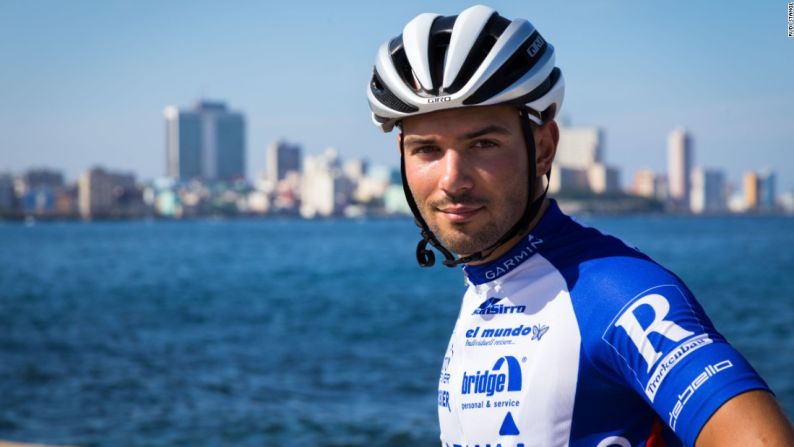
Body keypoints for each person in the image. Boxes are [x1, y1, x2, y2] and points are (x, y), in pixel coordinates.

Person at [366, 5, 794, 447]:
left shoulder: (618, 294)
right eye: (427, 150)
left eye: (484, 143)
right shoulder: (490, 286)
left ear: (545, 147)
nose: (452, 179)